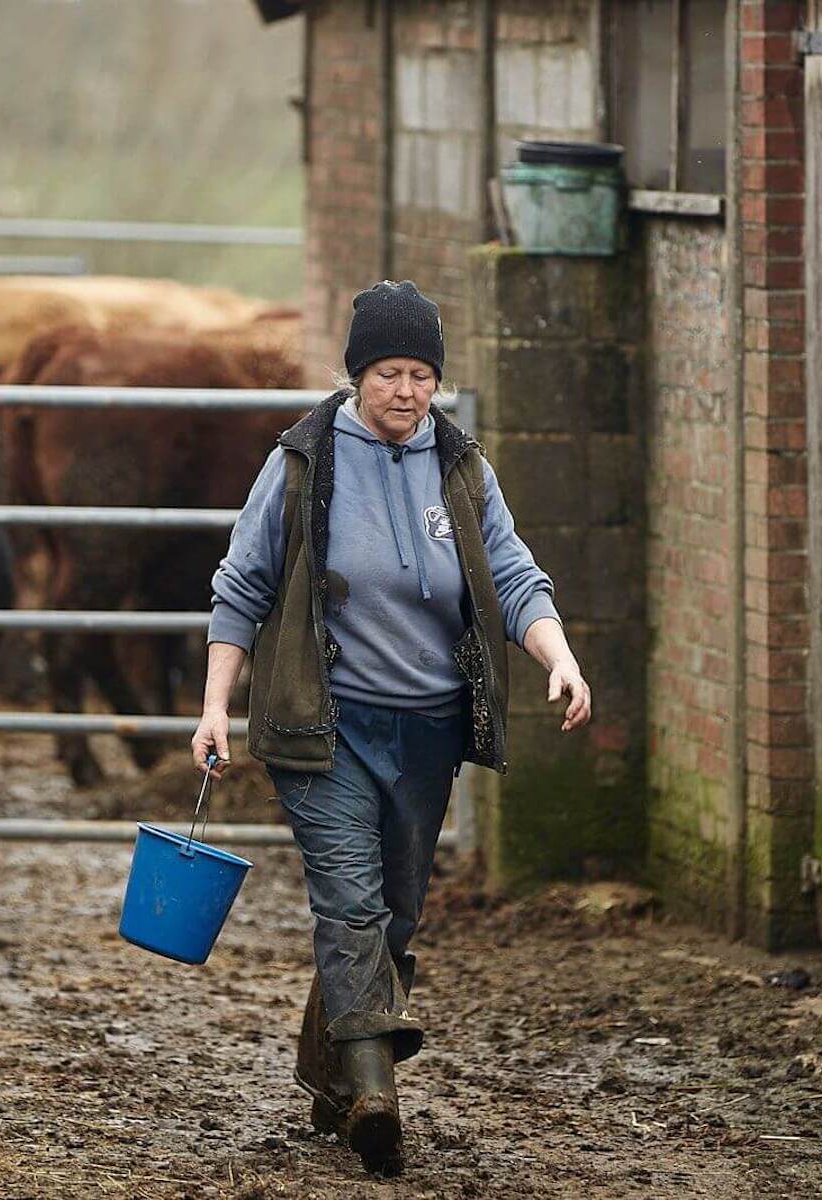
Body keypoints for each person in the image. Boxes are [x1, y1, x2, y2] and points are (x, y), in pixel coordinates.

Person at [190, 280, 592, 1175]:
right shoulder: (301, 461)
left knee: (396, 916)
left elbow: (518, 576)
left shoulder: (462, 466)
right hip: (322, 724)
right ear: (356, 375)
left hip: (425, 731)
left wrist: (557, 657)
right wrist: (217, 704)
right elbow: (241, 587)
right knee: (349, 899)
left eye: (421, 375)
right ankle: (375, 1096)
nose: (407, 392)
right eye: (388, 374)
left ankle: (325, 1064)